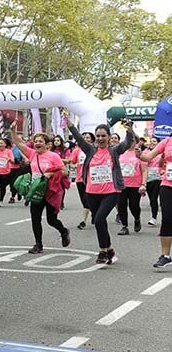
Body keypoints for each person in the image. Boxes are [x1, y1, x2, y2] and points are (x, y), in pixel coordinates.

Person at [64, 111, 134, 265]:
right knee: (99, 222)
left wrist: (129, 129)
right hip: (91, 192)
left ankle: (102, 252)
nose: (101, 138)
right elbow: (78, 137)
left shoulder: (114, 150)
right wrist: (68, 122)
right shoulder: (90, 150)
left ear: (109, 136)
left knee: (100, 218)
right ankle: (109, 249)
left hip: (111, 192)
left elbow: (127, 143)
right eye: (98, 136)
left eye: (103, 136)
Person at [10, 127, 71, 254]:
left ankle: (64, 231)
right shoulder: (32, 154)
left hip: (51, 191)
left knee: (51, 220)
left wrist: (50, 174)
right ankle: (38, 244)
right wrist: (13, 131)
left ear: (47, 145)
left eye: (40, 141)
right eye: (36, 141)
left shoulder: (53, 156)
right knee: (35, 218)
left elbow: (65, 172)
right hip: (37, 191)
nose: (37, 143)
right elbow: (18, 143)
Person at [139, 134, 172, 269]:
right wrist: (139, 153)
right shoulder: (167, 141)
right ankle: (165, 256)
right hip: (167, 184)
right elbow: (147, 157)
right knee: (167, 219)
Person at [116, 139, 147, 236]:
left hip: (135, 185)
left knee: (134, 205)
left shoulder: (139, 153)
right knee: (121, 205)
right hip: (121, 184)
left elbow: (144, 170)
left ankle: (137, 218)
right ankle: (124, 226)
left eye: (132, 141)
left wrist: (143, 184)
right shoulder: (120, 153)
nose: (130, 143)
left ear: (136, 142)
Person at [67, 132, 93, 229]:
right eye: (84, 137)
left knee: (88, 199)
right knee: (84, 199)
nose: (86, 139)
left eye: (88, 137)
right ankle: (93, 212)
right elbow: (71, 162)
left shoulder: (94, 149)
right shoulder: (77, 150)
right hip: (80, 178)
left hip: (92, 179)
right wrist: (74, 165)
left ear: (92, 139)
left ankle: (84, 221)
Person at [145, 136, 162, 227]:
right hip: (148, 178)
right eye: (151, 141)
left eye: (154, 141)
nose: (152, 142)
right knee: (152, 199)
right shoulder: (146, 152)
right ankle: (154, 217)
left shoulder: (162, 152)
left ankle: (156, 217)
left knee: (156, 198)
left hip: (159, 178)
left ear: (158, 143)